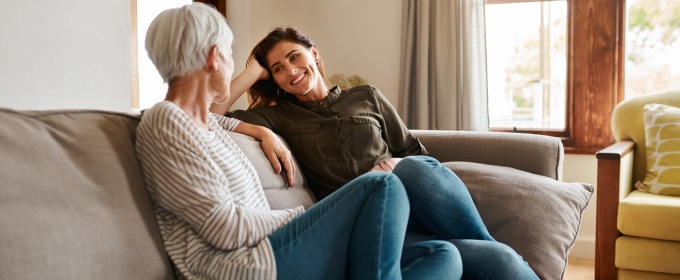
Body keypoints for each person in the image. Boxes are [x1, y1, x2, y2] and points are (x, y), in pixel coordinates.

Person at [135, 4, 462, 280]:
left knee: (442, 254)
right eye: (230, 54)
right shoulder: (166, 121)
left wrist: (262, 132)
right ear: (213, 56)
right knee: (381, 186)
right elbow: (224, 228)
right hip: (247, 267)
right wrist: (307, 215)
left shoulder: (204, 123)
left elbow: (218, 117)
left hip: (274, 250)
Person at [211, 27, 540, 279]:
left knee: (413, 171)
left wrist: (395, 164)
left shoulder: (366, 95)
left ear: (314, 54)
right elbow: (209, 114)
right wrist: (259, 108)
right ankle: (491, 248)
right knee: (495, 260)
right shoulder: (279, 115)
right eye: (278, 68)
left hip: (418, 207)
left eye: (294, 56)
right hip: (375, 225)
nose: (291, 70)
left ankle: (484, 241)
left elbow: (417, 155)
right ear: (276, 80)